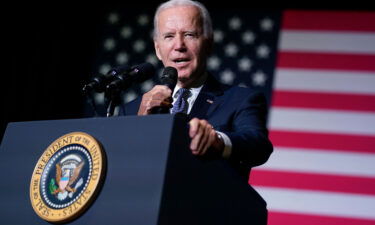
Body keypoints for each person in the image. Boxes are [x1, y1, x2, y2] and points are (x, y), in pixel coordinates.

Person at [124, 0, 273, 180]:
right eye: (169, 36)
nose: (179, 45)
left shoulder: (241, 100)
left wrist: (218, 142)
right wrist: (137, 127)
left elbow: (258, 146)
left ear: (208, 44)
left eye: (189, 35)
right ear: (157, 49)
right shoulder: (131, 110)